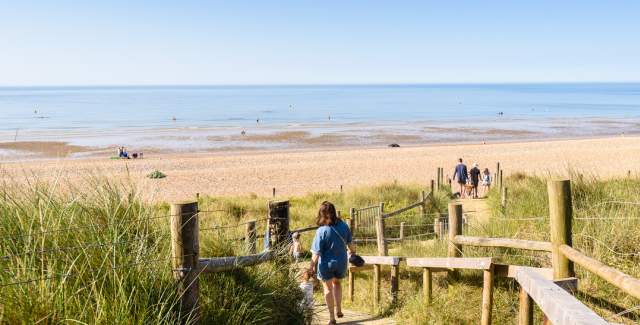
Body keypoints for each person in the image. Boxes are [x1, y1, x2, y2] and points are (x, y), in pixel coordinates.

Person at [310, 201, 356, 325]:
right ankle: (339, 309)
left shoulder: (321, 231)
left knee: (327, 288)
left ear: (322, 214)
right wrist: (352, 252)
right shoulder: (343, 226)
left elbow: (316, 253)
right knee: (337, 284)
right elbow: (351, 246)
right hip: (341, 262)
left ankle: (331, 318)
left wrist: (311, 266)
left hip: (326, 264)